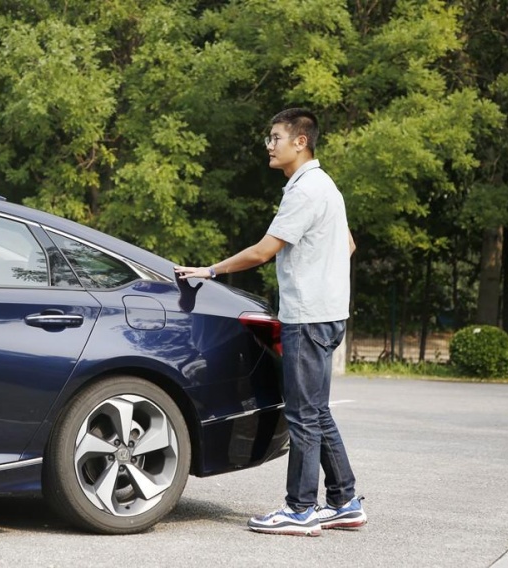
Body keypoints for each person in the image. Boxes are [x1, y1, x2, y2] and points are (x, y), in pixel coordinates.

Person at [174, 108, 365, 536]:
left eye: (275, 137)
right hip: (328, 312)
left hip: (308, 317)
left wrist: (210, 271)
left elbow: (263, 251)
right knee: (316, 412)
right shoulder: (325, 186)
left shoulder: (305, 190)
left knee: (301, 415)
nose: (269, 145)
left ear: (301, 141)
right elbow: (347, 244)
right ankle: (344, 501)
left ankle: (300, 509)